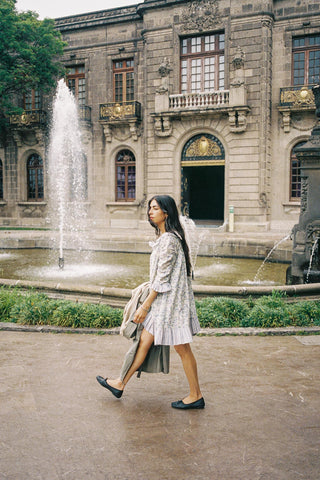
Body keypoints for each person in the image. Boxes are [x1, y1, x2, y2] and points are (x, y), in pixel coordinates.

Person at [96, 195, 204, 410]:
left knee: (182, 348)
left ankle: (196, 395)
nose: (150, 212)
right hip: (165, 304)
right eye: (150, 208)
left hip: (170, 306)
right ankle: (120, 383)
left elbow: (163, 278)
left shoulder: (170, 241)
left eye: (155, 208)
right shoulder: (167, 238)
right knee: (144, 342)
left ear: (167, 212)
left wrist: (145, 306)